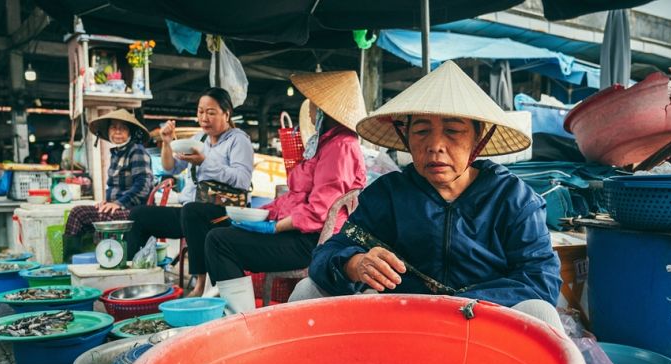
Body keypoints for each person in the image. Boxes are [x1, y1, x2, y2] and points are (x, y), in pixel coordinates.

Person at [290, 61, 563, 329]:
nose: (435, 146)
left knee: (540, 312)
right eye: (421, 131)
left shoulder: (514, 199)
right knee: (307, 290)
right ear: (406, 136)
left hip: (483, 323)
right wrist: (354, 264)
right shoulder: (388, 194)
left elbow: (540, 280)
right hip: (403, 321)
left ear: (478, 139)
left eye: (453, 131)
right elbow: (328, 253)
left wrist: (458, 306)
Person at [196, 70, 367, 313]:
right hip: (301, 235)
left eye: (313, 105)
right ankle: (240, 313)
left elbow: (320, 211)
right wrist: (263, 213)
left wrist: (273, 227)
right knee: (220, 232)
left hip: (315, 243)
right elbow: (296, 196)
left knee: (219, 241)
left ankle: (243, 319)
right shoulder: (324, 144)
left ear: (324, 110)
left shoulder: (341, 146)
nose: (308, 110)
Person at [128, 87, 253, 290]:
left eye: (211, 112)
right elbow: (171, 166)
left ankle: (200, 284)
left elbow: (242, 179)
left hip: (224, 213)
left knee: (192, 211)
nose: (204, 118)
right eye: (200, 111)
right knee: (138, 215)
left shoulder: (239, 140)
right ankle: (136, 279)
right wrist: (167, 143)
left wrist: (205, 162)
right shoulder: (198, 139)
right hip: (192, 212)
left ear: (226, 114)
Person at [63, 109, 154, 261]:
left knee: (105, 217)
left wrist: (118, 203)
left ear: (130, 132)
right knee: (77, 213)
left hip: (135, 211)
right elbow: (113, 186)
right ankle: (70, 263)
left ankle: (111, 262)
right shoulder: (117, 153)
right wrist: (108, 202)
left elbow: (143, 185)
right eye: (113, 127)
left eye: (123, 128)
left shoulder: (136, 151)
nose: (117, 131)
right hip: (119, 208)